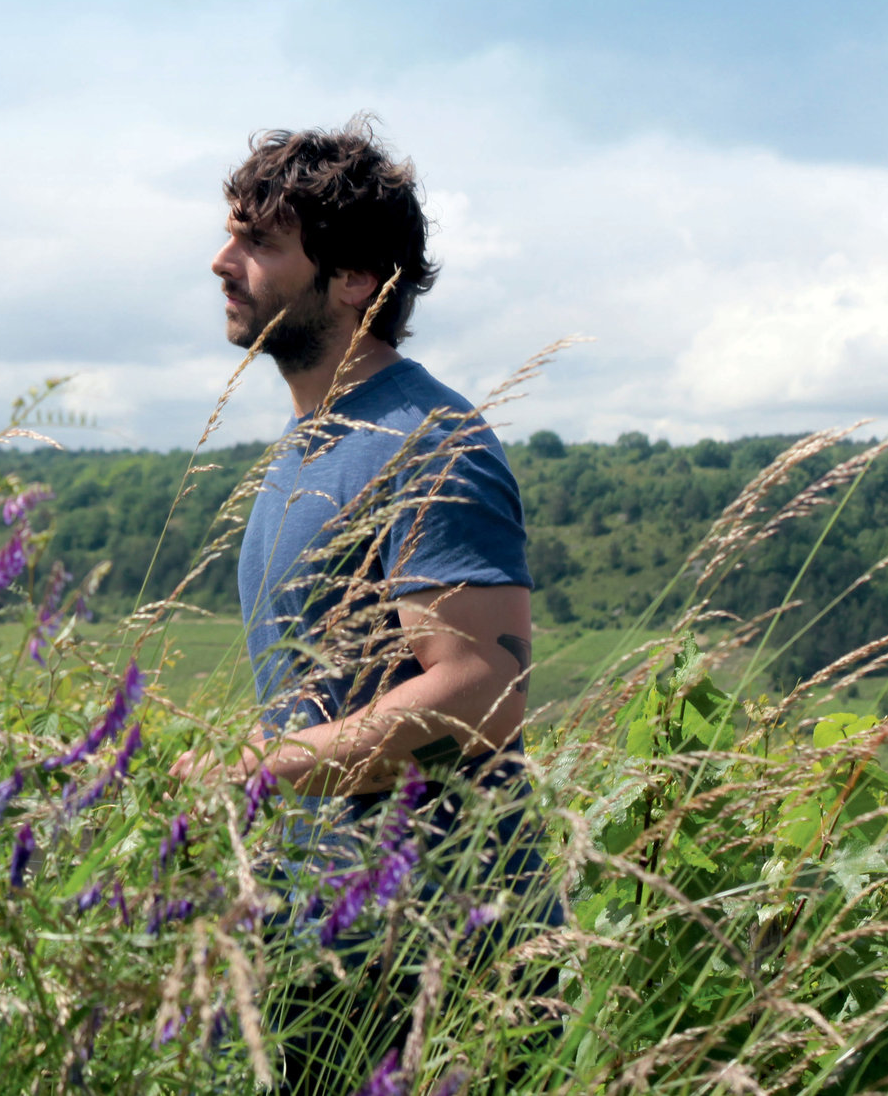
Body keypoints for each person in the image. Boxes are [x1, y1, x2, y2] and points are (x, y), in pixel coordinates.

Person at [185, 117, 561, 1089]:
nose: (222, 262)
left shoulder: (431, 442)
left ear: (354, 278)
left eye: (260, 242)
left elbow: (481, 688)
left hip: (437, 936)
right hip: (328, 931)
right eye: (232, 233)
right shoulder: (307, 447)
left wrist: (259, 768)